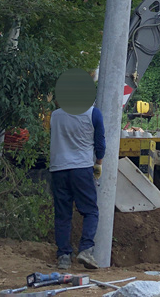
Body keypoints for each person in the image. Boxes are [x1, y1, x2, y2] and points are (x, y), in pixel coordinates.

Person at [49, 95, 106, 270]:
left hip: (58, 169)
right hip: (81, 169)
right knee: (90, 211)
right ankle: (86, 250)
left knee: (62, 214)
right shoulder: (93, 113)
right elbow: (100, 144)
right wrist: (99, 163)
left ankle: (64, 257)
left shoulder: (55, 115)